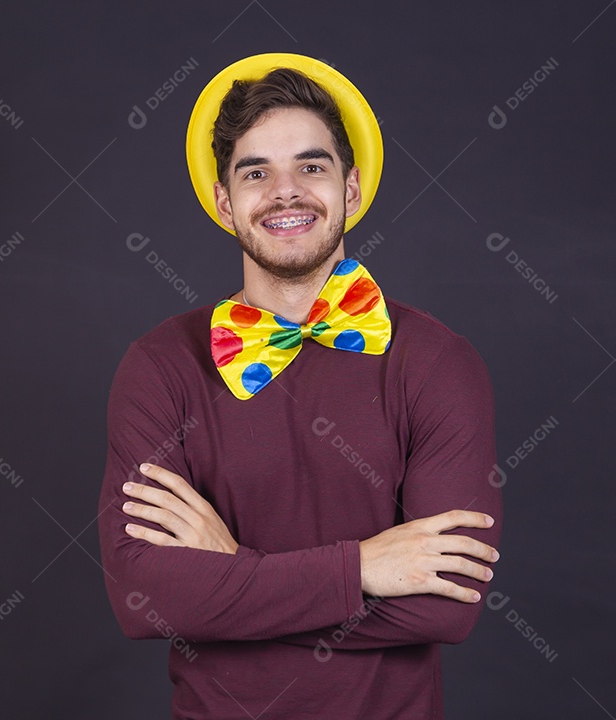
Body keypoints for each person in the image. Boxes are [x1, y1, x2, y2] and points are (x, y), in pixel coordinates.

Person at [98, 53, 501, 719]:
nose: (285, 193)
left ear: (352, 188)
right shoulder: (160, 366)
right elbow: (143, 598)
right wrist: (360, 569)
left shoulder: (437, 362)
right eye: (256, 173)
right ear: (225, 202)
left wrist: (231, 568)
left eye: (311, 167)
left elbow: (445, 605)